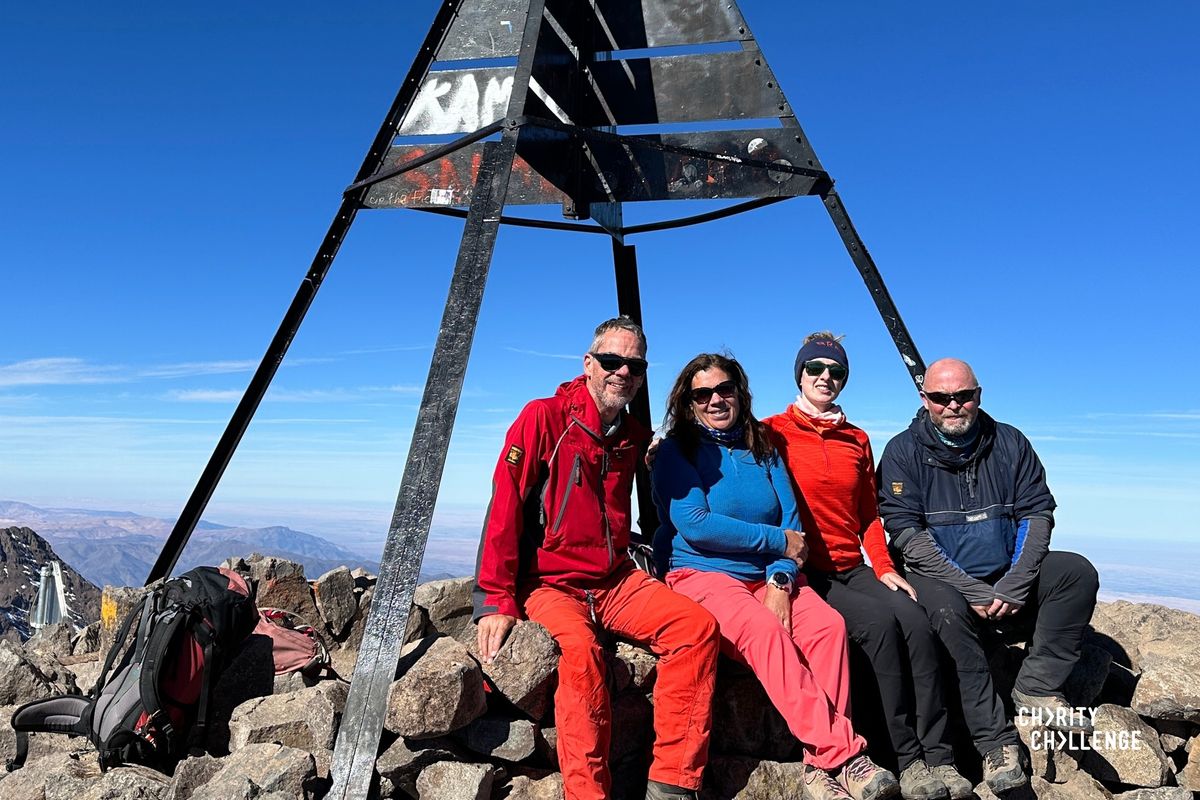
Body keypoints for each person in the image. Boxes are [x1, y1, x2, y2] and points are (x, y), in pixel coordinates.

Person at [472, 317, 720, 800]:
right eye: (611, 361)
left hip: (614, 580)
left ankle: (672, 782)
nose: (622, 372)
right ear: (588, 364)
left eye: (634, 365)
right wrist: (495, 599)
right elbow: (504, 506)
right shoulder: (543, 418)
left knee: (696, 630)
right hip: (549, 583)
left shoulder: (630, 433)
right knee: (583, 659)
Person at [651, 353, 899, 800]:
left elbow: (791, 521)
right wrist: (776, 543)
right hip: (702, 573)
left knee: (828, 627)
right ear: (687, 403)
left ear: (739, 393)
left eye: (724, 389)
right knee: (765, 631)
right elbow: (697, 523)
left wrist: (781, 580)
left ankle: (819, 771)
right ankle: (843, 754)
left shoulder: (760, 445)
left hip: (767, 573)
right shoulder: (675, 452)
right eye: (702, 394)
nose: (715, 400)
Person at [763, 334, 971, 800]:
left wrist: (882, 566)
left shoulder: (856, 438)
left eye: (836, 372)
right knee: (878, 625)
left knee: (916, 621)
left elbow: (868, 515)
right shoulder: (771, 431)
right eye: (815, 368)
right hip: (805, 569)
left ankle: (936, 756)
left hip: (852, 564)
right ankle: (904, 757)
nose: (826, 378)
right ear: (799, 373)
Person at [877, 358, 1099, 794]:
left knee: (1074, 573)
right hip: (944, 582)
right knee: (945, 610)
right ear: (926, 401)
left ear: (979, 395)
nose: (953, 405)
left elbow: (1037, 514)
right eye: (941, 398)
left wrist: (1016, 582)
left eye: (963, 395)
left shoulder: (1009, 442)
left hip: (1005, 576)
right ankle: (995, 742)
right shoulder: (903, 452)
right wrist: (970, 589)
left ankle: (1036, 686)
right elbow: (908, 535)